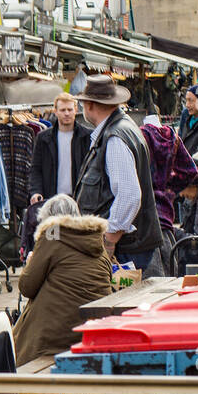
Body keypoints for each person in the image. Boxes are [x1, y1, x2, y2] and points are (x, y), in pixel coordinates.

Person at [14, 194, 113, 394]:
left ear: (49, 220)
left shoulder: (52, 236)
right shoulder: (95, 239)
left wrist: (30, 263)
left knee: (22, 343)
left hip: (60, 333)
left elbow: (26, 286)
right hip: (92, 330)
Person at [74, 75, 163, 273]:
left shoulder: (115, 136)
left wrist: (110, 239)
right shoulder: (122, 128)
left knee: (123, 303)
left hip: (126, 248)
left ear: (89, 105)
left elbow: (129, 196)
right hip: (131, 245)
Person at [139, 117, 198, 276]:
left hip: (145, 216)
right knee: (168, 272)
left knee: (151, 280)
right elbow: (190, 171)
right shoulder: (173, 137)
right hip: (165, 214)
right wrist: (168, 191)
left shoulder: (140, 137)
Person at [27, 92, 91, 208]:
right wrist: (35, 192)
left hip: (80, 201)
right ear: (55, 111)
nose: (67, 113)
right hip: (51, 199)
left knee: (77, 227)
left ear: (76, 110)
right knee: (53, 227)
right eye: (62, 110)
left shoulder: (87, 137)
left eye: (70, 109)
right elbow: (36, 168)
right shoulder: (43, 138)